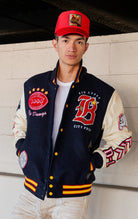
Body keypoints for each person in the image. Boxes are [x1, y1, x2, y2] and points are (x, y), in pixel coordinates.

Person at [11, 10, 132, 219]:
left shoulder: (104, 94)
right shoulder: (33, 86)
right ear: (55, 43)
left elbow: (124, 140)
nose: (71, 47)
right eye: (65, 40)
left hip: (72, 199)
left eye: (78, 41)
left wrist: (95, 160)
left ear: (86, 46)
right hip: (30, 193)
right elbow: (19, 123)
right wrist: (22, 148)